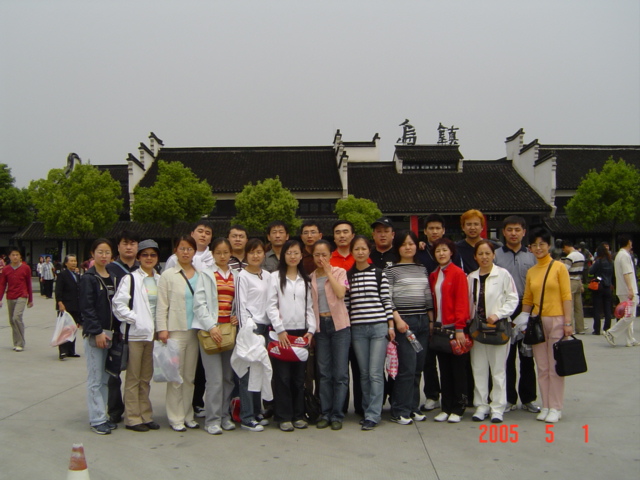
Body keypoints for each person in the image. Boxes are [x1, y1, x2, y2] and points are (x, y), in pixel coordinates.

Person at [518, 228, 572, 423]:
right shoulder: (531, 271)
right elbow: (528, 298)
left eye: (542, 244)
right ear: (530, 248)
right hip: (537, 322)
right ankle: (546, 405)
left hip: (557, 319)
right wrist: (523, 319)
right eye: (534, 245)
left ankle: (556, 407)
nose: (538, 248)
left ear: (549, 246)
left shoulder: (559, 267)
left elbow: (566, 296)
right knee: (541, 366)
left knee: (555, 366)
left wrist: (568, 322)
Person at [111, 239, 162, 433]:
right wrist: (136, 319)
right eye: (145, 255)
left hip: (153, 336)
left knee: (146, 377)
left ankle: (146, 415)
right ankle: (132, 417)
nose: (149, 258)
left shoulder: (160, 279)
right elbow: (118, 304)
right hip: (135, 335)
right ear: (139, 257)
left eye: (153, 255)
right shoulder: (131, 279)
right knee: (133, 377)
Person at [346, 236, 394, 430]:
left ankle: (374, 414)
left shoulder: (379, 273)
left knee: (375, 372)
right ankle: (367, 410)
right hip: (358, 329)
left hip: (378, 327)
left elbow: (386, 300)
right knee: (364, 373)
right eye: (356, 249)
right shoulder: (348, 276)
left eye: (363, 249)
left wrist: (390, 326)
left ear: (369, 251)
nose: (360, 252)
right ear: (352, 252)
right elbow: (347, 305)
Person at [468, 240, 519, 423]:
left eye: (487, 253)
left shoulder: (503, 274)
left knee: (498, 370)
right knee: (479, 368)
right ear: (475, 257)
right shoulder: (471, 277)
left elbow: (513, 299)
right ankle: (481, 405)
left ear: (493, 255)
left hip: (498, 328)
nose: (484, 257)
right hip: (478, 330)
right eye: (480, 254)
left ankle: (497, 407)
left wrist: (498, 314)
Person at [384, 230, 433, 425]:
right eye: (404, 244)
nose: (408, 247)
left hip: (422, 321)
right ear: (398, 247)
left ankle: (413, 407)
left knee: (418, 367)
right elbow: (387, 298)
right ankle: (399, 410)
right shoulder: (391, 270)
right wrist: (397, 320)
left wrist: (430, 321)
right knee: (406, 368)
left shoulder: (421, 268)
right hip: (405, 322)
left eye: (411, 243)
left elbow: (427, 296)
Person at [267, 239, 316, 432]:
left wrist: (311, 330)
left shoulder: (306, 280)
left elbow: (309, 307)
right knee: (282, 376)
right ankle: (283, 416)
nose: (293, 256)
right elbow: (271, 305)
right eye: (289, 253)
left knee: (298, 377)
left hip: (301, 333)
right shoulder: (275, 277)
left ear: (301, 255)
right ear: (283, 256)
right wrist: (280, 330)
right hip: (281, 333)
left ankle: (298, 415)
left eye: (296, 252)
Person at [493, 215, 540, 414]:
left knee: (527, 356)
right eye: (509, 230)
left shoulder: (532, 256)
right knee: (507, 357)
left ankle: (528, 398)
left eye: (517, 230)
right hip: (504, 310)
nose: (513, 233)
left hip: (527, 308)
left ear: (524, 232)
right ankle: (509, 399)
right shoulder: (495, 256)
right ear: (503, 232)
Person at [192, 237, 239, 435]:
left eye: (226, 252)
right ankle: (212, 420)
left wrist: (237, 316)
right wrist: (211, 326)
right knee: (214, 379)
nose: (222, 256)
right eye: (218, 252)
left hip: (230, 330)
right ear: (212, 254)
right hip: (210, 331)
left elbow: (240, 301)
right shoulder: (206, 274)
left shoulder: (237, 275)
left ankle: (224, 416)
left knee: (228, 378)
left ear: (231, 254)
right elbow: (199, 304)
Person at [417, 213, 463, 412]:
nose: (434, 231)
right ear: (425, 231)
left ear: (443, 230)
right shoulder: (421, 253)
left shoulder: (454, 255)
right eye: (431, 228)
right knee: (429, 360)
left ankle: (456, 401)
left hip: (451, 317)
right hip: (429, 314)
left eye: (438, 228)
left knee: (452, 364)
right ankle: (433, 395)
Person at [156, 235, 201, 432]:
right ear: (176, 251)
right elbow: (162, 304)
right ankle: (175, 417)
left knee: (189, 376)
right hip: (175, 331)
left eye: (189, 249)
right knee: (176, 376)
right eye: (182, 248)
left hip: (195, 331)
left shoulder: (200, 274)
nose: (185, 252)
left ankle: (188, 414)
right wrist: (162, 329)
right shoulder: (168, 275)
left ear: (194, 252)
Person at [234, 238, 277, 432]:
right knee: (247, 372)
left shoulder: (267, 276)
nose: (255, 255)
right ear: (246, 255)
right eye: (251, 252)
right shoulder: (242, 276)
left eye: (259, 252)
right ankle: (247, 416)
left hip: (266, 328)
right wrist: (246, 330)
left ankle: (257, 411)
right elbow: (240, 305)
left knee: (259, 370)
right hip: (251, 329)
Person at [310, 239, 350, 430]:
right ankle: (325, 413)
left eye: (324, 255)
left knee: (340, 373)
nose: (320, 258)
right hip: (321, 327)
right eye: (317, 255)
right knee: (324, 373)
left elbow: (341, 293)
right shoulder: (310, 277)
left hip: (339, 326)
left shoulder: (339, 272)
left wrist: (328, 273)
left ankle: (337, 414)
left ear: (330, 255)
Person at [429, 238, 470, 423]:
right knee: (444, 371)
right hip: (440, 329)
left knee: (458, 370)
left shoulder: (458, 273)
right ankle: (445, 407)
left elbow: (462, 302)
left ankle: (458, 407)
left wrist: (460, 328)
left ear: (451, 252)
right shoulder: (434, 274)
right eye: (438, 251)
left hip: (455, 329)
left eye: (445, 250)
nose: (441, 254)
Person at [79, 238, 118, 434]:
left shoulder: (112, 277)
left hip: (111, 334)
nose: (104, 256)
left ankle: (103, 415)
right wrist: (97, 332)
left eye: (107, 252)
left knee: (104, 378)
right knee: (95, 378)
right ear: (92, 254)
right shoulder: (89, 278)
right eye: (100, 252)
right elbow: (87, 308)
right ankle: (96, 419)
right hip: (97, 334)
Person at [105, 230, 140, 425]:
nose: (129, 247)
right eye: (125, 243)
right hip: (116, 329)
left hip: (138, 330)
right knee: (113, 373)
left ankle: (135, 410)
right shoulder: (110, 269)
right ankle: (114, 410)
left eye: (132, 243)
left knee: (137, 375)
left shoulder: (143, 269)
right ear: (117, 247)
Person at [604, 235, 639, 347]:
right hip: (627, 290)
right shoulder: (624, 256)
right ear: (628, 242)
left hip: (623, 289)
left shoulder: (620, 255)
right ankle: (611, 332)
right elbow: (626, 273)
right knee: (630, 315)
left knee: (628, 315)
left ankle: (630, 339)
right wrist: (630, 289)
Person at [0, 248, 33, 351]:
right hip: (10, 296)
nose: (15, 257)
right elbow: (2, 284)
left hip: (22, 295)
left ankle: (20, 343)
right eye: (13, 255)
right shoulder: (6, 269)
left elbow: (29, 283)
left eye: (17, 255)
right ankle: (16, 342)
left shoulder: (26, 268)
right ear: (9, 257)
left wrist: (30, 299)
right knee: (12, 320)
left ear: (20, 256)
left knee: (16, 317)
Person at [55, 254, 82, 360]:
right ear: (66, 263)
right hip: (65, 305)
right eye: (71, 261)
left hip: (75, 305)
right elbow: (58, 290)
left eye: (75, 261)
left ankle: (71, 350)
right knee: (64, 328)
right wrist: (60, 302)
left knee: (73, 328)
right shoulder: (62, 275)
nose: (74, 263)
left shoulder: (77, 275)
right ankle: (63, 351)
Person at [561, 240, 586, 334]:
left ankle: (572, 328)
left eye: (564, 248)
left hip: (571, 281)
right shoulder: (581, 255)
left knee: (570, 306)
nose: (564, 251)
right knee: (578, 307)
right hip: (578, 281)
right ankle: (580, 328)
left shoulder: (570, 257)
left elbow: (564, 270)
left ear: (566, 246)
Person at [589, 243, 614, 335]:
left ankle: (597, 329)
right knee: (607, 308)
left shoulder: (598, 261)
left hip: (599, 286)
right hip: (608, 286)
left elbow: (591, 271)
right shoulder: (611, 262)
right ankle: (607, 328)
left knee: (597, 308)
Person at [456, 209, 486, 274]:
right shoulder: (455, 248)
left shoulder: (493, 247)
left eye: (476, 224)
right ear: (463, 227)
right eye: (469, 224)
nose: (472, 228)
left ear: (482, 227)